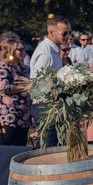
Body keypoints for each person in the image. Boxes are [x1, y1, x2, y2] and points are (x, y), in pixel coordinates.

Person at [30, 15, 71, 146]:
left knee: (53, 147)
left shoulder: (54, 51)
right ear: (51, 32)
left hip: (51, 105)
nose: (68, 36)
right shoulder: (46, 53)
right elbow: (37, 83)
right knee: (47, 149)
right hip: (45, 106)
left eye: (69, 33)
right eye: (64, 33)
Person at [0, 38, 32, 146]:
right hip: (9, 115)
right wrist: (25, 87)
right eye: (19, 49)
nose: (23, 51)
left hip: (24, 116)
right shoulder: (2, 66)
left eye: (24, 49)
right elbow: (2, 87)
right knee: (6, 146)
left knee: (20, 149)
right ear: (10, 51)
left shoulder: (24, 68)